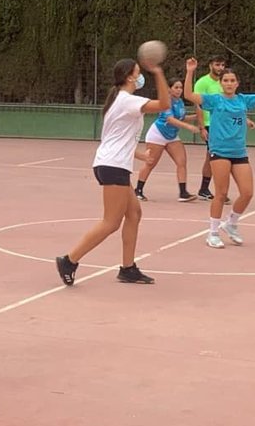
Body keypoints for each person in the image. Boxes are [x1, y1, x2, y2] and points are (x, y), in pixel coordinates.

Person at [54, 55, 171, 287]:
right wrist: (158, 73)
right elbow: (164, 105)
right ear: (129, 77)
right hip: (113, 166)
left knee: (134, 214)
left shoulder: (118, 99)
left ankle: (128, 269)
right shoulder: (127, 100)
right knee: (111, 222)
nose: (140, 77)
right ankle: (69, 260)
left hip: (113, 163)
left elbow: (116, 138)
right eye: (138, 73)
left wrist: (140, 155)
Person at [184, 56, 255, 249]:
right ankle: (213, 233)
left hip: (239, 152)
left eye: (232, 80)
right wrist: (190, 71)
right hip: (220, 151)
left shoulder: (243, 100)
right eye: (226, 80)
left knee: (247, 193)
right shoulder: (214, 100)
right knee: (221, 193)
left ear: (237, 83)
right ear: (221, 83)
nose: (229, 83)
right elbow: (190, 96)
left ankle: (231, 224)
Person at [134, 77, 202, 202]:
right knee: (150, 163)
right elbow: (170, 119)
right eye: (176, 87)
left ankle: (183, 192)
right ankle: (138, 190)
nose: (179, 90)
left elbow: (181, 117)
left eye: (180, 87)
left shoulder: (180, 102)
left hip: (172, 136)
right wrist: (188, 127)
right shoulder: (166, 102)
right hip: (158, 134)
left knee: (181, 162)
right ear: (169, 89)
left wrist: (196, 116)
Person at [192, 56, 226, 200]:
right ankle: (217, 191)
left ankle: (204, 189)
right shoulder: (202, 83)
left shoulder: (224, 81)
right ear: (210, 65)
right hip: (209, 124)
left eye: (222, 65)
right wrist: (201, 127)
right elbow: (198, 106)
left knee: (212, 157)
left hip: (223, 124)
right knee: (218, 157)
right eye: (217, 64)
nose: (220, 68)